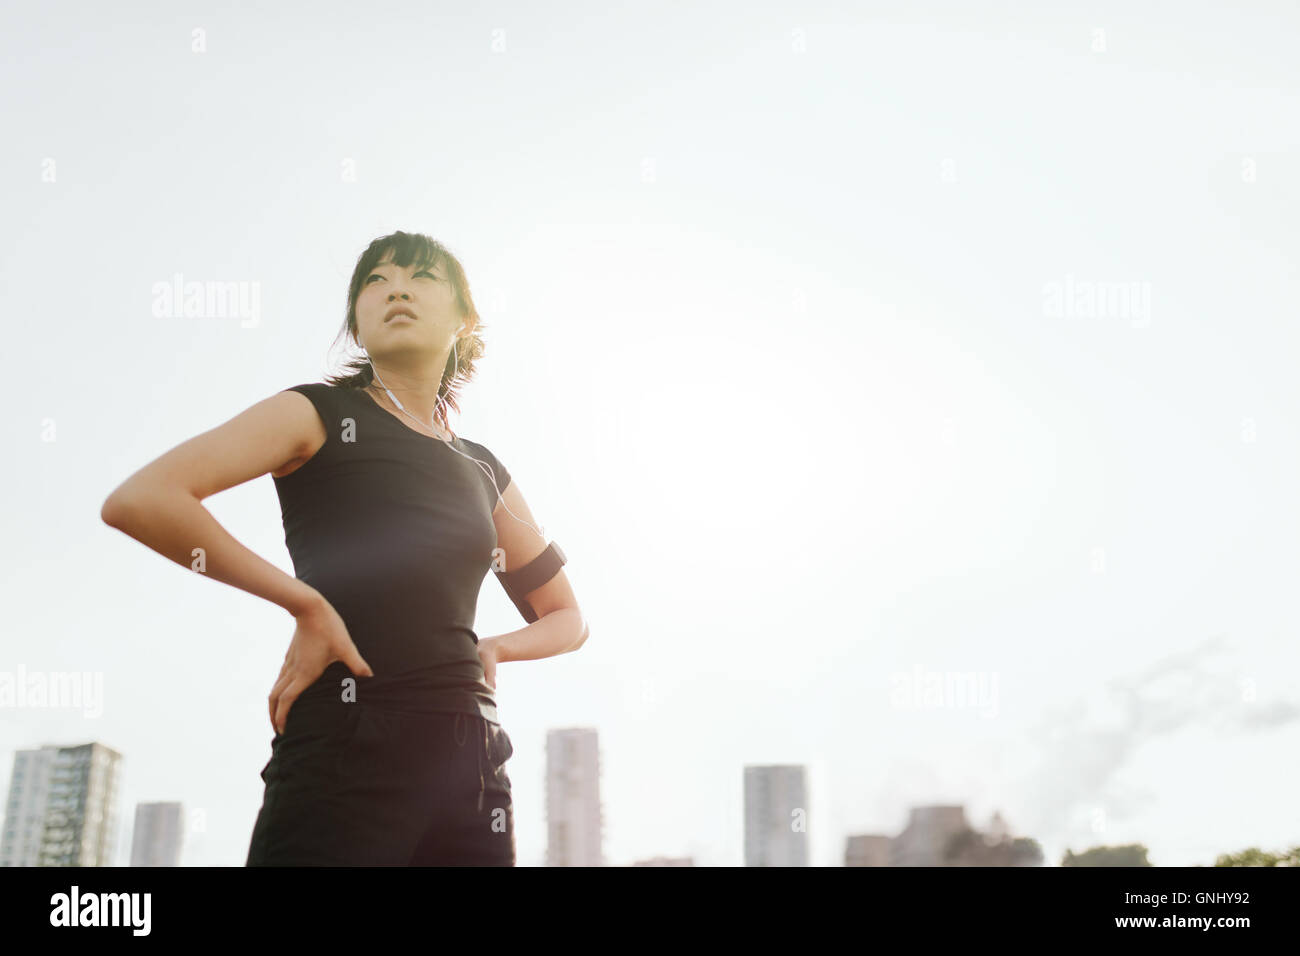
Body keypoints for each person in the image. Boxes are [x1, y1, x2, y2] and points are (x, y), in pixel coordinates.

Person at [101, 230, 589, 865]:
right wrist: (304, 604)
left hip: (474, 765)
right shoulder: (316, 413)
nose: (397, 290)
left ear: (465, 319)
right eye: (376, 282)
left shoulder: (481, 468)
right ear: (357, 323)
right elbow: (144, 499)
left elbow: (568, 619)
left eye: (421, 278)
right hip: (346, 738)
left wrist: (494, 647)